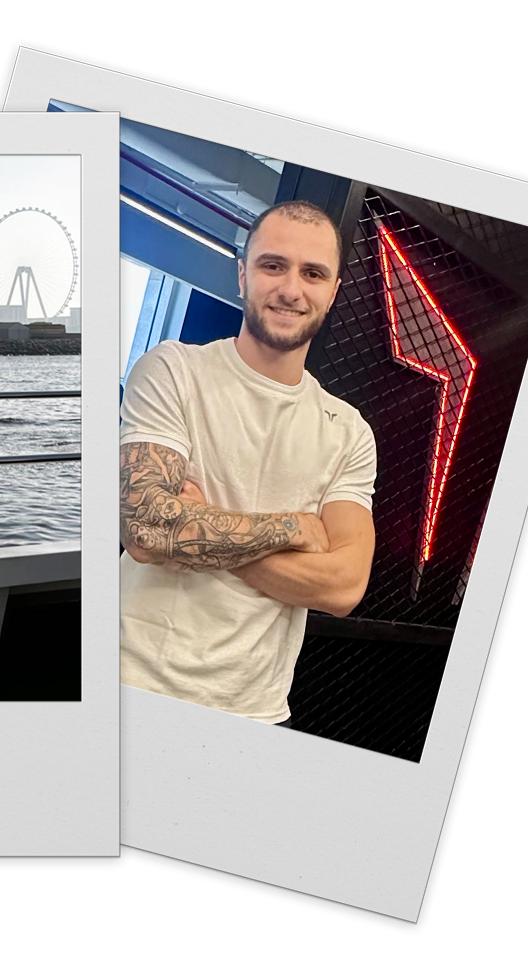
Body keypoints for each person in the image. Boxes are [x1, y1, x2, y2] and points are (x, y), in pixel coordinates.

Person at [118, 200, 377, 725]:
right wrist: (295, 529)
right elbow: (146, 530)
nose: (291, 289)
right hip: (132, 679)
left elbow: (344, 587)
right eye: (272, 265)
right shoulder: (173, 370)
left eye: (312, 273)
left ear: (332, 290)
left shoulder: (348, 431)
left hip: (256, 709)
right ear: (242, 274)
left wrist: (197, 524)